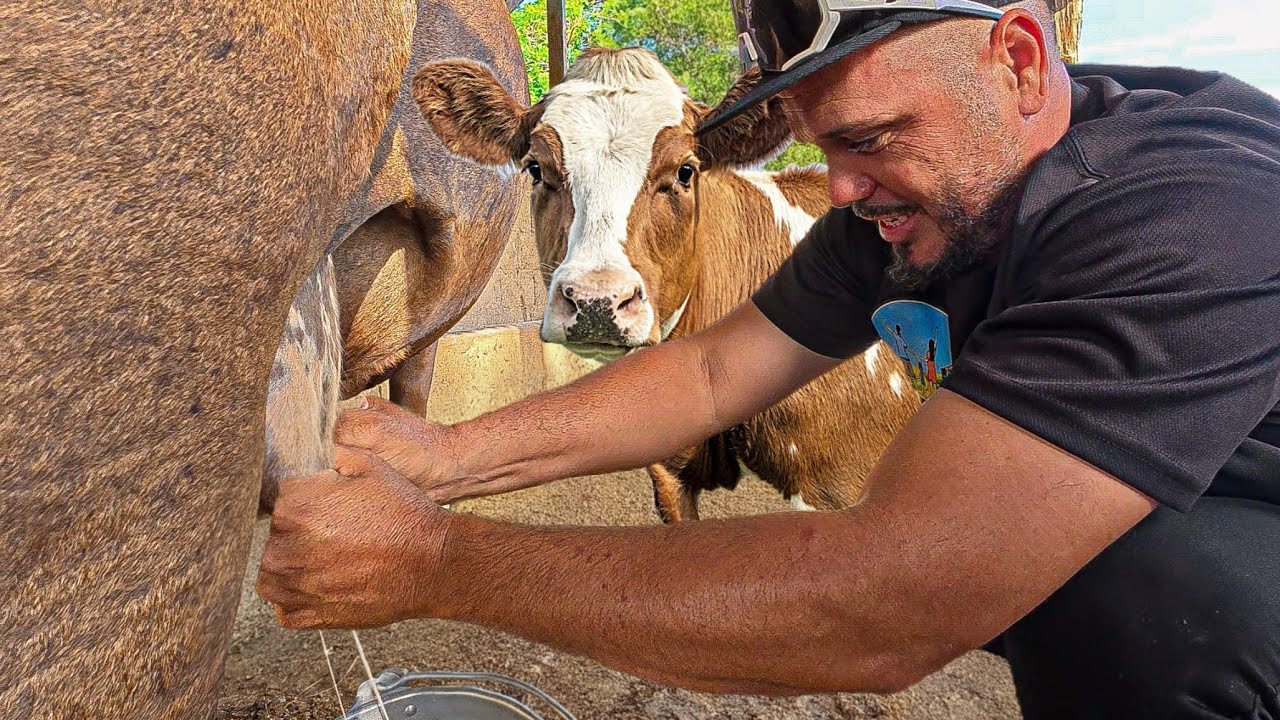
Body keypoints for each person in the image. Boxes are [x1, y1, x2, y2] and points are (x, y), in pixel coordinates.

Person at [256, 1, 1280, 716]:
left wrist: (435, 559)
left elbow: (886, 604)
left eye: (871, 137)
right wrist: (446, 457)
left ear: (1017, 61)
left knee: (1151, 602)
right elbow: (711, 373)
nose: (838, 189)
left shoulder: (1192, 209)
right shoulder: (922, 187)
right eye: (820, 145)